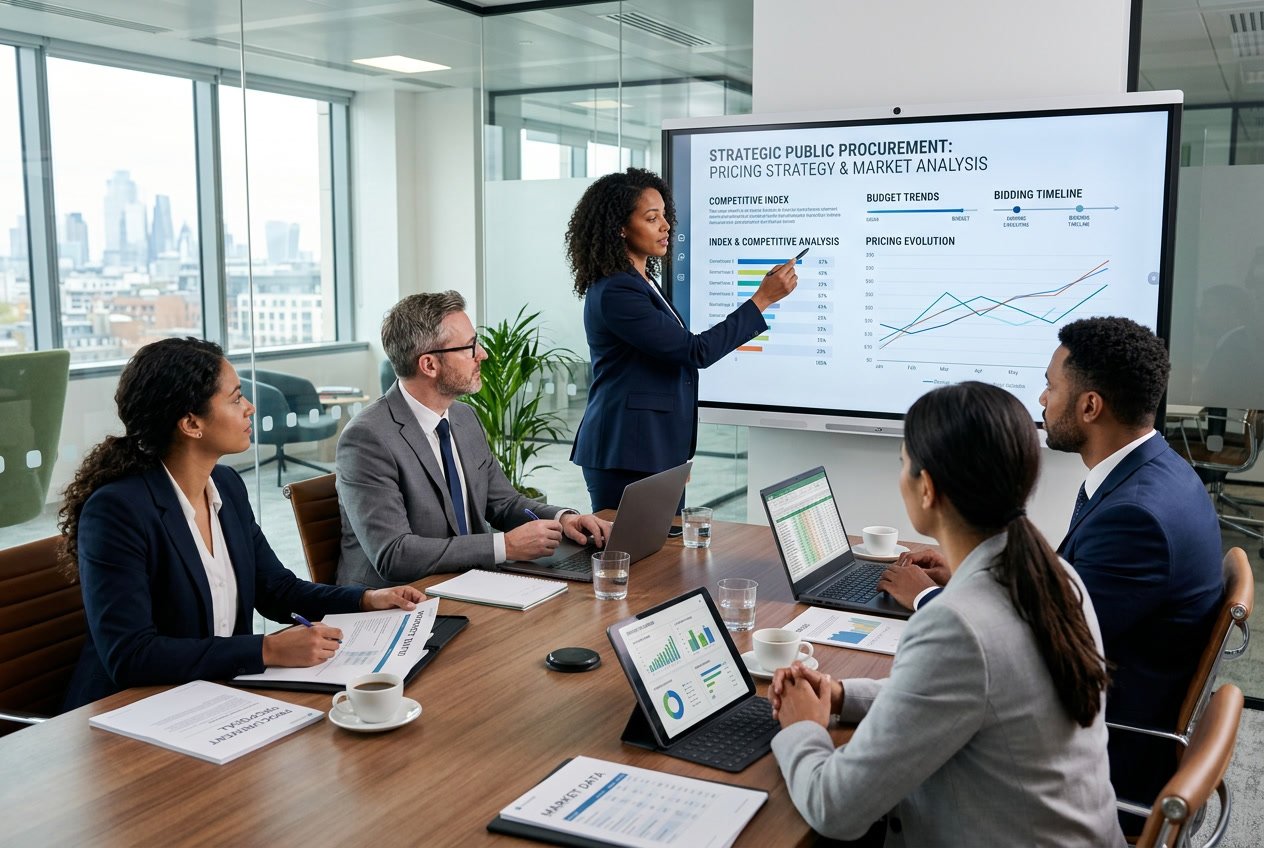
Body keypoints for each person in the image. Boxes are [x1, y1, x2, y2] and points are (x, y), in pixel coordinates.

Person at [876, 316, 1223, 820]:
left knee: (892, 764)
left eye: (1050, 386)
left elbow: (1041, 644)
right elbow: (1064, 595)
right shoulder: (1153, 473)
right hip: (1112, 705)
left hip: (1107, 754)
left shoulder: (1137, 517)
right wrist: (970, 572)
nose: (1041, 399)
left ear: (1090, 406)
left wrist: (930, 599)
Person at [770, 382, 1122, 847]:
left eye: (902, 464)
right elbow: (954, 693)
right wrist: (840, 694)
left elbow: (833, 808)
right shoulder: (1056, 576)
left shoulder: (956, 624)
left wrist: (802, 726)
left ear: (927, 488)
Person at [59, 338, 421, 710]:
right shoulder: (117, 510)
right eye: (235, 399)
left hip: (214, 696)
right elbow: (131, 655)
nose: (250, 407)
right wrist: (267, 649)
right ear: (191, 423)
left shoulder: (226, 485)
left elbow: (276, 590)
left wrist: (365, 599)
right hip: (131, 710)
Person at [336, 291, 611, 588]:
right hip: (399, 599)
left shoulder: (464, 417)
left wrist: (564, 520)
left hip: (467, 583)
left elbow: (504, 503)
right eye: (470, 347)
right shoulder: (367, 438)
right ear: (429, 365)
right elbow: (394, 554)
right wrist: (504, 546)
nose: (483, 354)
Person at [565, 167, 798, 510]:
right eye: (652, 218)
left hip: (652, 449)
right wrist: (761, 300)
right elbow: (694, 351)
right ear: (620, 227)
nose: (665, 226)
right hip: (626, 452)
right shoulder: (617, 291)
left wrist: (673, 455)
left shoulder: (641, 282)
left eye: (664, 215)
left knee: (663, 544)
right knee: (632, 545)